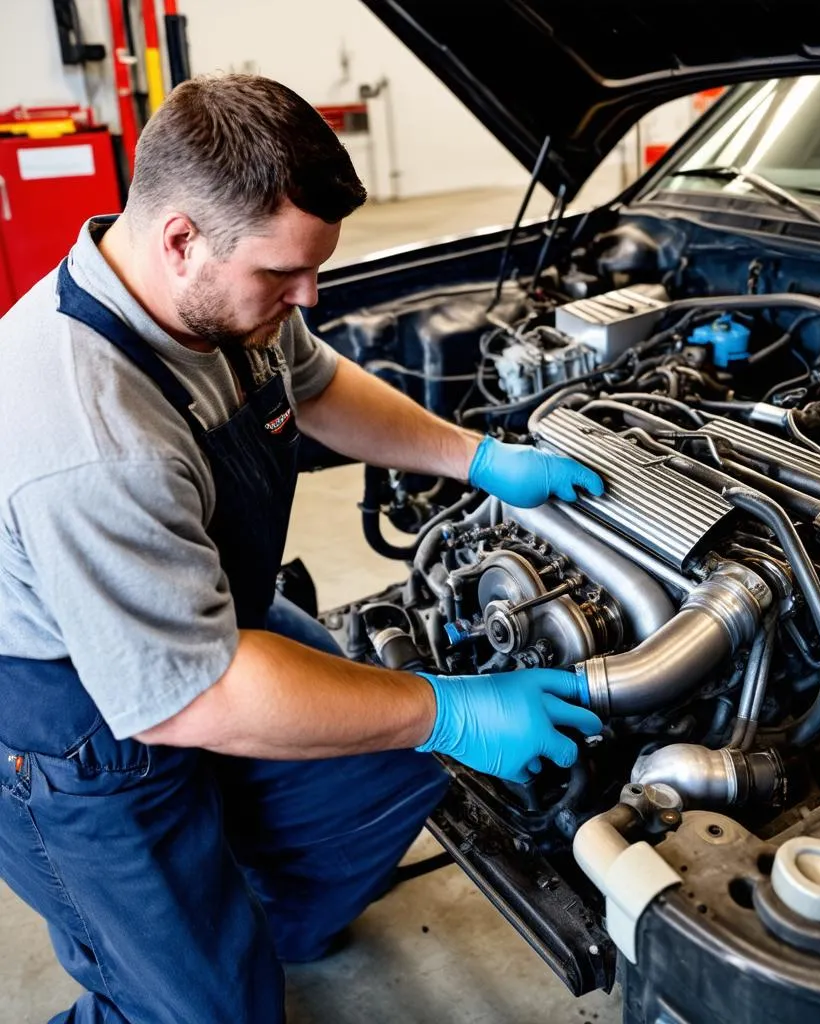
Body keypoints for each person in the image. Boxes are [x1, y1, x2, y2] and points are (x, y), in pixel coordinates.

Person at [0, 74, 604, 1024]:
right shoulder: (91, 435)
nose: (309, 295)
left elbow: (316, 386)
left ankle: (244, 915)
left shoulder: (217, 298)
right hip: (75, 721)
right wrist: (447, 707)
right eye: (283, 276)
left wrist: (481, 460)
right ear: (180, 238)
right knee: (206, 1013)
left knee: (385, 775)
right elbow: (190, 696)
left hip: (206, 620)